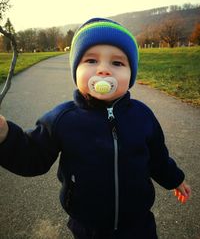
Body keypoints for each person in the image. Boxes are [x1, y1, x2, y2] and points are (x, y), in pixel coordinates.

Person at [0, 18, 191, 239]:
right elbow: (33, 155)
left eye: (117, 63)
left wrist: (174, 178)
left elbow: (157, 157)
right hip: (88, 227)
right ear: (76, 71)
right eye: (91, 60)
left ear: (131, 75)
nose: (103, 70)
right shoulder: (63, 119)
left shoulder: (142, 116)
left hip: (139, 223)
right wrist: (5, 135)